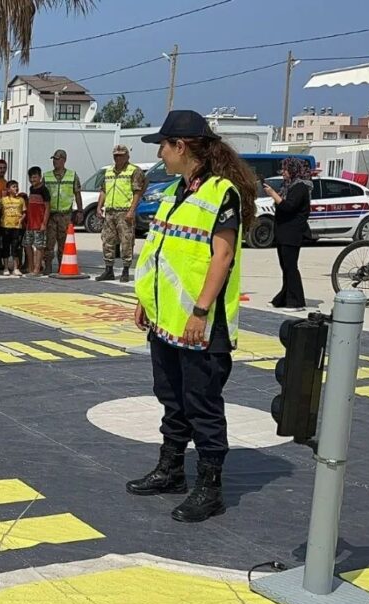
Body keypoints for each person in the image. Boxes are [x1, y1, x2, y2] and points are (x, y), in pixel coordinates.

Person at [129, 109, 256, 523]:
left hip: (200, 324)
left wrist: (200, 310)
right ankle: (171, 470)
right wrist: (146, 301)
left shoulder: (222, 194)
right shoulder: (173, 192)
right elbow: (160, 253)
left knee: (202, 404)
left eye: (163, 146)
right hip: (166, 322)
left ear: (181, 146)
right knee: (171, 398)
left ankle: (210, 485)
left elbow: (222, 258)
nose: (160, 154)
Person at [263, 157, 312, 311]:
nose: (283, 173)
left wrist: (273, 194)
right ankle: (284, 298)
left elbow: (289, 207)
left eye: (285, 169)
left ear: (293, 170)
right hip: (283, 232)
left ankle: (297, 301)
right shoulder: (288, 186)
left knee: (291, 267)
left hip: (293, 233)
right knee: (285, 267)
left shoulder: (300, 187)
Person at [97, 145, 146, 282]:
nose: (118, 157)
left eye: (121, 155)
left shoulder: (134, 171)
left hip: (125, 212)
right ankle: (108, 269)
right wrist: (99, 206)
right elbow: (104, 190)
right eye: (115, 155)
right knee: (107, 240)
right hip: (110, 211)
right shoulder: (108, 172)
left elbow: (137, 192)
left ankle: (125, 270)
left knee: (126, 241)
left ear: (127, 156)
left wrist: (131, 211)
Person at [43, 149, 82, 275]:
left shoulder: (72, 175)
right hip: (51, 214)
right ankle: (48, 265)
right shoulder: (47, 176)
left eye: (57, 159)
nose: (55, 161)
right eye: (53, 159)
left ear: (64, 160)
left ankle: (62, 265)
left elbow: (77, 194)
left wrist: (80, 211)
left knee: (63, 242)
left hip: (66, 214)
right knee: (49, 241)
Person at [24, 167, 50, 276]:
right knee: (27, 244)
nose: (32, 180)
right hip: (30, 224)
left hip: (39, 224)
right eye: (30, 177)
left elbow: (47, 208)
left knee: (39, 246)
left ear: (40, 177)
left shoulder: (44, 190)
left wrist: (44, 223)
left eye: (35, 177)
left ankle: (37, 269)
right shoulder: (31, 189)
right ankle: (30, 267)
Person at [0, 181, 26, 276]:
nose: (16, 188)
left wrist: (20, 220)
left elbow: (24, 212)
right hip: (5, 226)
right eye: (14, 187)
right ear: (8, 189)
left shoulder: (21, 200)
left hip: (16, 227)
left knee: (16, 248)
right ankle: (6, 267)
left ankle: (15, 268)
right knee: (5, 247)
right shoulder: (3, 200)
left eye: (17, 186)